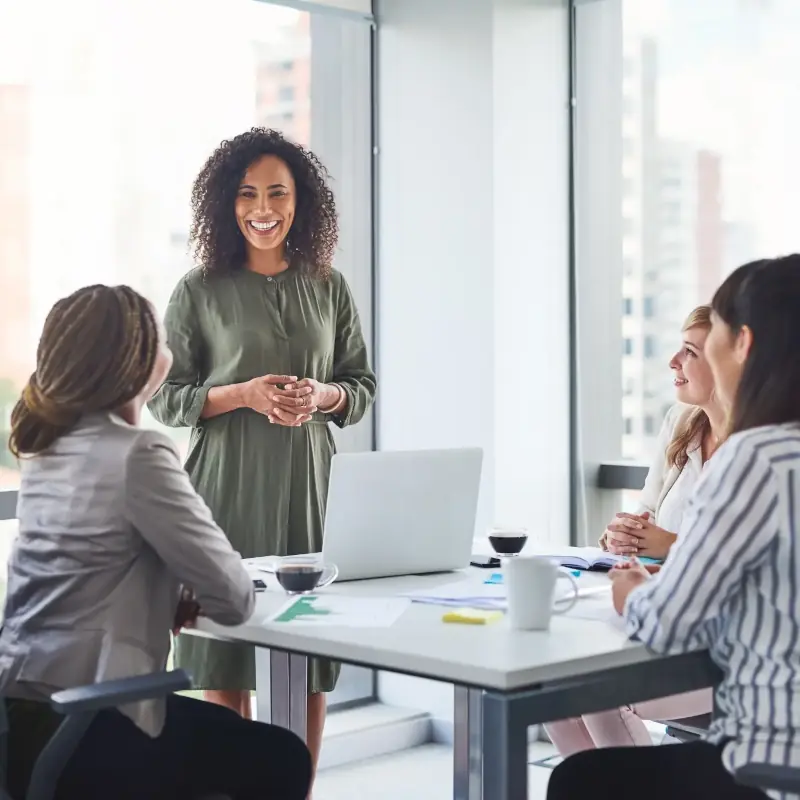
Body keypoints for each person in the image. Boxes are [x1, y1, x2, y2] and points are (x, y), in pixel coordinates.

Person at [0, 285, 311, 800]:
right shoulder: (139, 452)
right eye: (162, 339)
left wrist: (163, 590)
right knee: (281, 756)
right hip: (90, 730)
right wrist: (186, 585)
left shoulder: (44, 449)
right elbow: (234, 600)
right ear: (140, 361)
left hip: (22, 725)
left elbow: (88, 570)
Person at [148, 128, 376, 780]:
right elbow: (165, 398)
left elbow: (360, 386)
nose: (263, 208)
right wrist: (243, 394)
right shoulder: (198, 290)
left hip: (311, 491)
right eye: (248, 194)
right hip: (225, 490)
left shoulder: (328, 286)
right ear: (227, 202)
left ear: (301, 200)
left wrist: (324, 395)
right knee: (227, 658)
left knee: (310, 658)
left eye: (278, 192)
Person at [548, 254, 800, 800]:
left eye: (709, 340)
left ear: (743, 344)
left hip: (767, 761)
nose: (679, 361)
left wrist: (632, 592)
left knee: (577, 779)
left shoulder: (756, 458)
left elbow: (667, 624)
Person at [545, 306, 721, 754]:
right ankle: (600, 786)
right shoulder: (682, 422)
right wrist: (625, 535)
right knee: (552, 692)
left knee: (601, 694)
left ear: (727, 361)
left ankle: (634, 785)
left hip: (729, 643)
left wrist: (669, 545)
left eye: (690, 351)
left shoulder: (766, 450)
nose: (673, 362)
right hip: (667, 615)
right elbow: (649, 512)